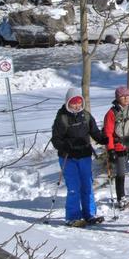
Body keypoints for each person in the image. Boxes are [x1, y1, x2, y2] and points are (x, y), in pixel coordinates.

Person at [51, 87, 107, 227]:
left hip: (84, 156)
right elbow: (56, 140)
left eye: (78, 102)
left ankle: (90, 214)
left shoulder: (86, 116)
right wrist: (65, 146)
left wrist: (104, 139)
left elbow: (95, 132)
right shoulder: (62, 118)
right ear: (67, 103)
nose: (76, 105)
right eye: (73, 103)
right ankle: (72, 217)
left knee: (87, 186)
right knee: (74, 188)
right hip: (68, 158)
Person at [102, 86, 129, 209]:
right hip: (118, 146)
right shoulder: (111, 113)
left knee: (127, 171)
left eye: (127, 96)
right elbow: (108, 132)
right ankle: (121, 198)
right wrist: (110, 149)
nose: (125, 98)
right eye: (122, 96)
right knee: (120, 173)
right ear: (117, 98)